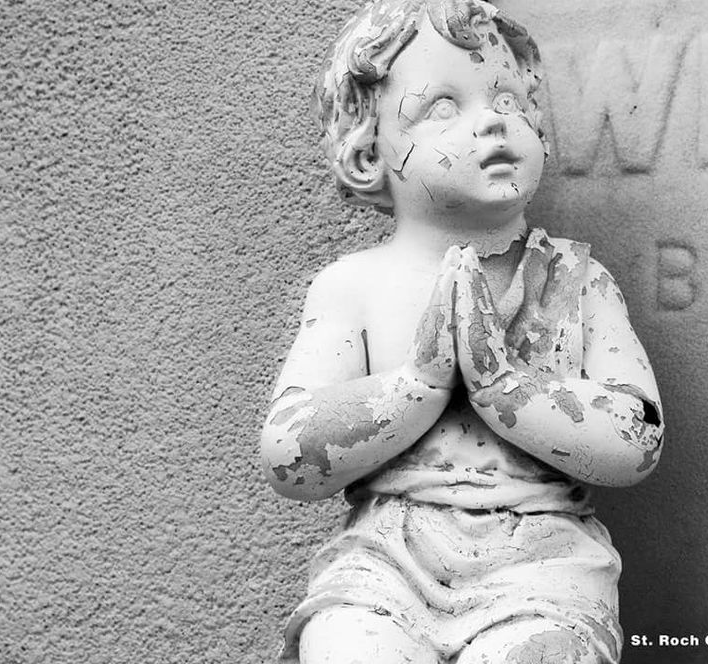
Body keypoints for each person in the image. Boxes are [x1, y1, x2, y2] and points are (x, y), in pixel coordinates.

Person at [260, 1, 665, 661]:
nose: (493, 122)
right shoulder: (354, 286)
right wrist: (417, 386)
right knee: (348, 646)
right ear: (369, 152)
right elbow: (288, 454)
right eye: (443, 107)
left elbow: (638, 438)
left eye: (508, 100)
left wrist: (506, 388)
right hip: (387, 559)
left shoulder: (577, 280)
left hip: (542, 560)